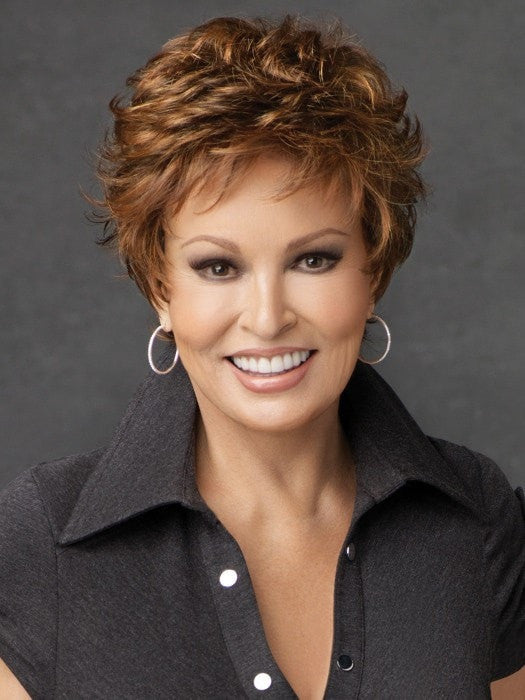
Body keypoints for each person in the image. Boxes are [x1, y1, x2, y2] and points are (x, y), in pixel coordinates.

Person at [1, 13, 524, 700]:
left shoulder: (476, 518)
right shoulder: (44, 541)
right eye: (218, 267)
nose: (269, 317)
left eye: (313, 259)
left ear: (373, 271)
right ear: (160, 288)